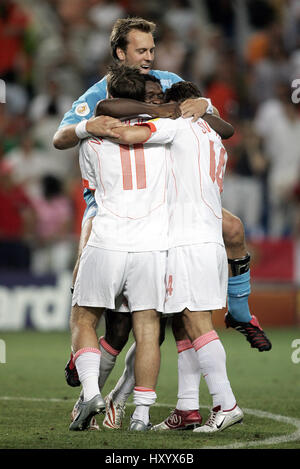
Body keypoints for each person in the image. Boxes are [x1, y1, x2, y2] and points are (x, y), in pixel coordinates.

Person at [53, 16, 270, 426]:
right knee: (127, 318)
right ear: (120, 53)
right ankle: (95, 390)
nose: (150, 58)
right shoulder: (99, 93)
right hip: (112, 207)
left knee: (228, 235)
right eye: (141, 51)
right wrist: (85, 126)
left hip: (168, 204)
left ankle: (238, 314)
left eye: (153, 49)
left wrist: (205, 105)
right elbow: (60, 136)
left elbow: (210, 116)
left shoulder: (168, 80)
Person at [106, 78, 244, 433]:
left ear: (180, 106)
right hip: (206, 238)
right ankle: (186, 409)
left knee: (197, 322)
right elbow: (224, 128)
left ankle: (225, 403)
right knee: (184, 322)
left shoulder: (177, 127)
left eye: (167, 103)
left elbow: (128, 135)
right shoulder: (213, 137)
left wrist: (101, 126)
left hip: (188, 240)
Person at [69, 67, 176, 432]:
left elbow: (91, 190)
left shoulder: (93, 136)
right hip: (151, 244)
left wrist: (88, 125)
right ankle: (142, 415)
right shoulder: (164, 133)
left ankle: (90, 393)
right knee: (148, 330)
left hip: (107, 239)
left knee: (84, 318)